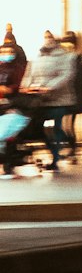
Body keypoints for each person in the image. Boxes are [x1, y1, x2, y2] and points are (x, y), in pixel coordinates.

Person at [20, 30, 76, 171]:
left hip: (59, 100)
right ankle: (58, 150)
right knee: (39, 127)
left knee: (56, 128)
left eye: (50, 37)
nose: (47, 40)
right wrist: (27, 87)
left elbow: (67, 75)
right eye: (45, 37)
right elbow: (29, 74)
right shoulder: (37, 56)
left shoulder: (66, 56)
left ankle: (56, 158)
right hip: (40, 100)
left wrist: (49, 87)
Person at [60, 32, 82, 163]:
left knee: (67, 125)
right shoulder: (75, 59)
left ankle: (72, 148)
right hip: (71, 97)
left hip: (74, 98)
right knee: (66, 124)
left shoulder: (75, 60)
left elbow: (80, 82)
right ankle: (72, 148)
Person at [0, 29, 28, 176]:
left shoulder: (18, 68)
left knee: (8, 132)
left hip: (13, 103)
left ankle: (8, 163)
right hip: (3, 103)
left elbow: (17, 86)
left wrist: (8, 89)